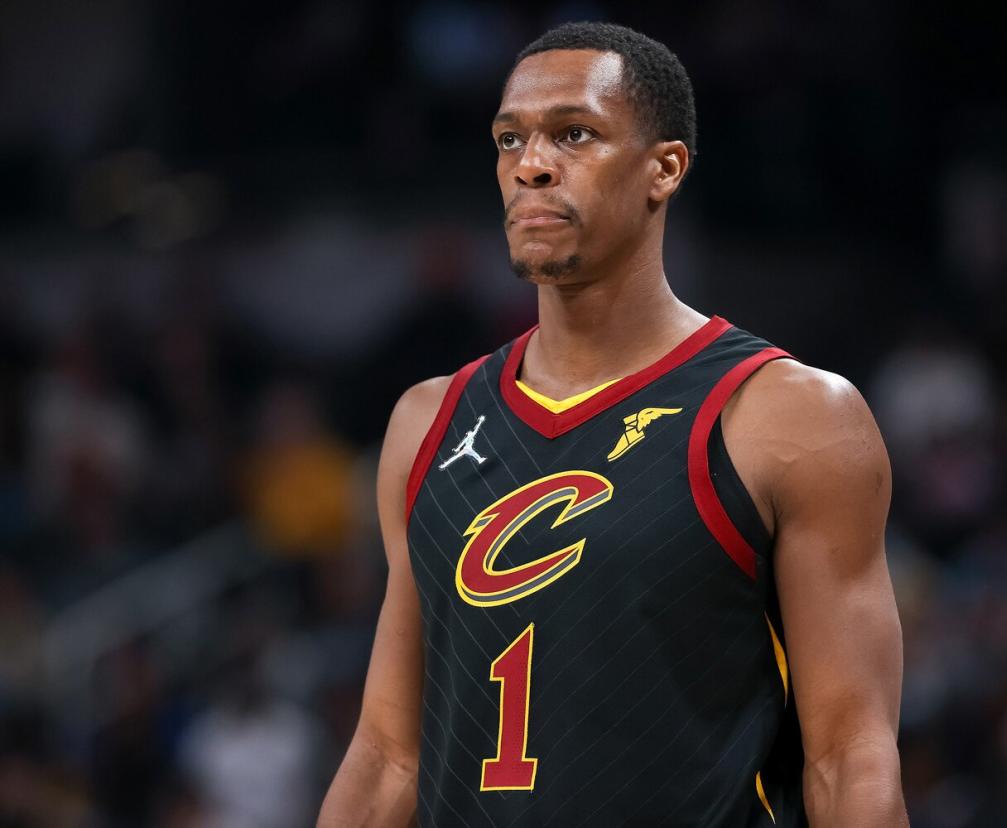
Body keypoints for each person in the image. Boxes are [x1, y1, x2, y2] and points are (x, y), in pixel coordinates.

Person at [319, 21, 907, 827]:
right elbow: (388, 756)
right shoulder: (427, 422)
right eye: (509, 139)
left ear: (663, 168)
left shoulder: (785, 413)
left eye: (573, 134)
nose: (531, 164)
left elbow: (850, 757)